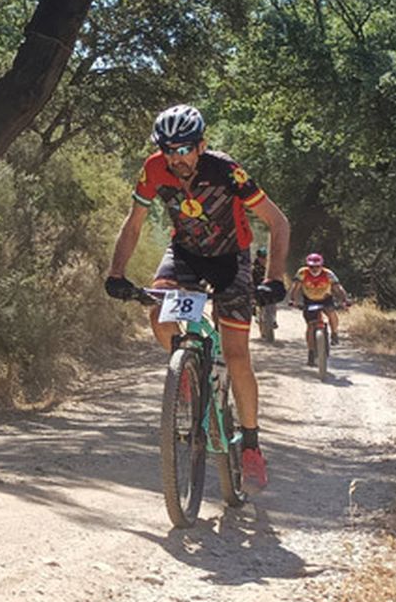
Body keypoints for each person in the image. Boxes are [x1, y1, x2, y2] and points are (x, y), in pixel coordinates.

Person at [104, 104, 290, 490]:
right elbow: (134, 223)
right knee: (158, 314)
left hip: (230, 258)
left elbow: (277, 222)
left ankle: (252, 444)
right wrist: (116, 273)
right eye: (169, 149)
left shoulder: (226, 171)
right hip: (186, 254)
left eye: (185, 149)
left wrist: (274, 279)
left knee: (237, 354)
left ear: (201, 145)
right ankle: (185, 376)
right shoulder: (153, 169)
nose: (177, 158)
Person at [288, 253, 349, 357]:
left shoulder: (328, 274)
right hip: (309, 300)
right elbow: (295, 287)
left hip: (325, 299)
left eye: (317, 266)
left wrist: (345, 300)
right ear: (308, 266)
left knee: (332, 313)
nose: (314, 269)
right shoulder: (302, 273)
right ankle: (311, 351)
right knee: (310, 326)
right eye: (311, 267)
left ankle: (334, 333)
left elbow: (338, 287)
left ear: (322, 265)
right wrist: (292, 299)